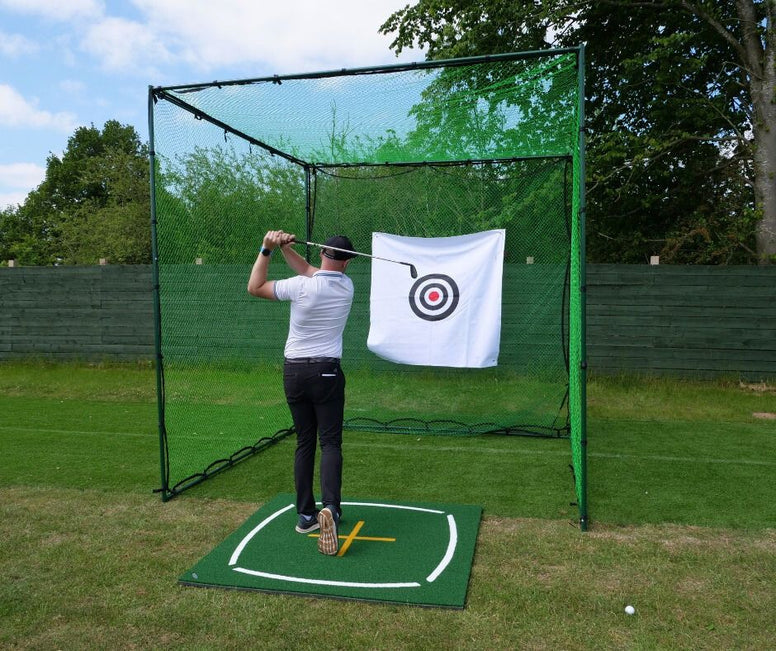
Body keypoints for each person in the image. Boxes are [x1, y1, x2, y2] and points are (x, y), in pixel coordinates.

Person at [247, 229, 356, 556]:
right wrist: (285, 249)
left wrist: (267, 249)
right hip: (326, 372)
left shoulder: (300, 287)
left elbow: (255, 287)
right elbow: (312, 271)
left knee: (305, 441)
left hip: (294, 372)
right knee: (330, 442)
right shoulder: (347, 287)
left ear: (322, 253)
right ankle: (331, 510)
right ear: (348, 262)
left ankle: (306, 514)